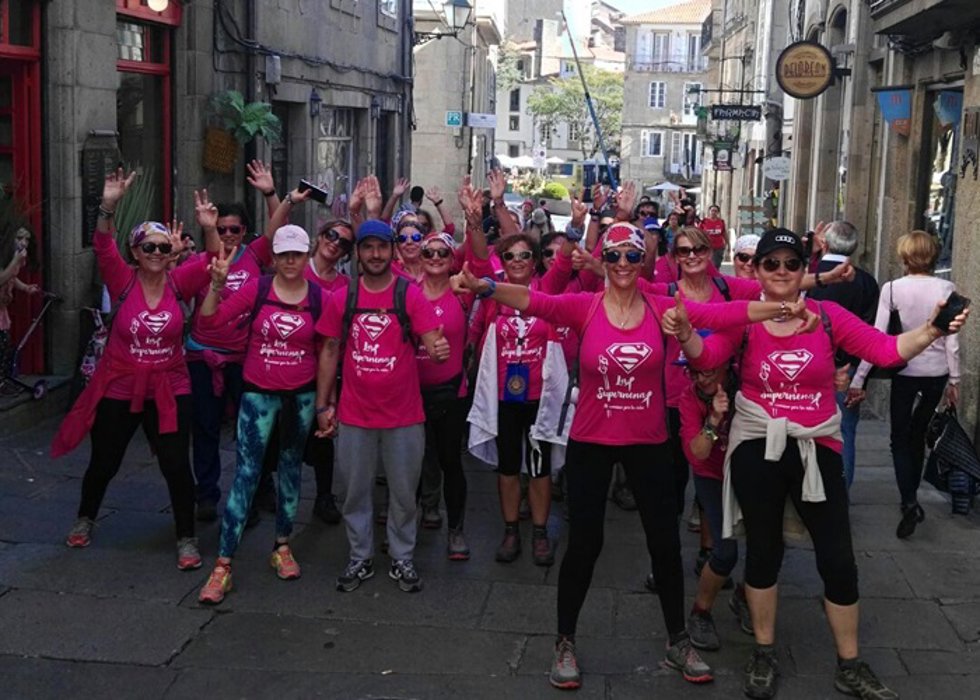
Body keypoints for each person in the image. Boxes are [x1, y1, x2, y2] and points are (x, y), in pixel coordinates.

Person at [452, 222, 816, 692]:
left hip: (647, 443)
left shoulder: (663, 308)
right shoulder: (585, 307)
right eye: (614, 256)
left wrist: (785, 306)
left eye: (631, 256)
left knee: (664, 544)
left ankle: (677, 639)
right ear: (603, 262)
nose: (623, 264)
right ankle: (565, 641)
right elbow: (534, 301)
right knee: (585, 544)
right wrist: (486, 286)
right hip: (592, 441)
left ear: (642, 262)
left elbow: (727, 314)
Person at [669, 227, 968, 700]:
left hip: (817, 445)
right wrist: (686, 335)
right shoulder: (745, 318)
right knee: (764, 554)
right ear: (760, 272)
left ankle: (849, 663)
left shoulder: (829, 318)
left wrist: (933, 330)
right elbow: (706, 354)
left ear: (804, 269)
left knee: (839, 560)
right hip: (757, 446)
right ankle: (763, 653)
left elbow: (886, 350)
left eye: (791, 263)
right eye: (772, 264)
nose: (782, 272)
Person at [54, 168, 209, 570]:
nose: (156, 254)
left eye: (162, 247)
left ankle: (186, 537)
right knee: (104, 460)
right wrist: (108, 204)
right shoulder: (122, 280)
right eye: (149, 248)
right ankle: (86, 516)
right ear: (135, 252)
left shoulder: (180, 282)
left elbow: (213, 261)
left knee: (176, 465)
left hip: (169, 387)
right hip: (120, 386)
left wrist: (208, 227)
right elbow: (102, 242)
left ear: (170, 252)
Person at [314, 219, 449, 594]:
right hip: (355, 415)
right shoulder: (343, 297)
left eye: (382, 247)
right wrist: (323, 404)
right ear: (357, 253)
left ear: (392, 251)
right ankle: (360, 556)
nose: (375, 254)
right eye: (368, 247)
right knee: (355, 493)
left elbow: (433, 341)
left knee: (405, 494)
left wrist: (439, 350)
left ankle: (402, 556)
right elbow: (328, 350)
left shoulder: (410, 294)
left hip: (404, 416)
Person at [196, 224, 327, 604]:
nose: (289, 261)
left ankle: (282, 545)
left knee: (290, 471)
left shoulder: (319, 297)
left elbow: (326, 353)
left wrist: (323, 404)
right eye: (283, 253)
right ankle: (223, 565)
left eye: (297, 254)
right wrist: (217, 286)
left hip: (299, 399)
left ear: (307, 256)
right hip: (258, 397)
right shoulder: (257, 289)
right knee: (247, 475)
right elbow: (209, 322)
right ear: (275, 257)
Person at [851, 230, 961, 539]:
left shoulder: (892, 289)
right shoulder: (946, 286)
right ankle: (911, 496)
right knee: (918, 432)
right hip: (937, 371)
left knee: (899, 437)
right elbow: (952, 339)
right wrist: (955, 379)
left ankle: (909, 500)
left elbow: (877, 336)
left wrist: (860, 379)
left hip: (905, 369)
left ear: (905, 256)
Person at [187, 160, 279, 522]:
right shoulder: (201, 261)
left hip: (244, 357)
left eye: (234, 229)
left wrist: (271, 194)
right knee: (206, 428)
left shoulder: (255, 256)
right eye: (221, 229)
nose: (227, 235)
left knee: (250, 430)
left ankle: (252, 491)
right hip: (203, 357)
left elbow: (276, 232)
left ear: (244, 231)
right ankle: (206, 493)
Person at [415, 180, 490, 558]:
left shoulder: (461, 289)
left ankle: (456, 528)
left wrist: (472, 219)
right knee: (412, 461)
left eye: (441, 251)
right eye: (427, 251)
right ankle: (414, 520)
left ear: (450, 257)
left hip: (451, 392)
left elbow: (482, 261)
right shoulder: (406, 290)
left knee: (449, 460)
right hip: (410, 393)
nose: (434, 256)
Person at [678, 359, 754, 650]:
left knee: (766, 547)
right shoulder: (689, 397)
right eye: (695, 371)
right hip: (712, 475)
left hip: (749, 471)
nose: (701, 377)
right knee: (725, 552)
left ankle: (744, 597)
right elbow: (697, 454)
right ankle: (700, 612)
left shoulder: (746, 386)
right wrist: (713, 421)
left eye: (708, 370)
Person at [807, 221, 880, 488]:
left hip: (810, 365)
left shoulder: (811, 276)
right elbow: (873, 333)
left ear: (824, 244)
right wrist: (861, 377)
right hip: (850, 369)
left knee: (807, 430)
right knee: (845, 432)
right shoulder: (866, 282)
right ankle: (840, 496)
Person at [0, 227, 41, 377]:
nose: (23, 243)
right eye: (19, 238)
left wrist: (25, 287)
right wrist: (15, 260)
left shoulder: (15, 257)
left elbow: (12, 277)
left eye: (27, 239)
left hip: (2, 309)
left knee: (4, 346)